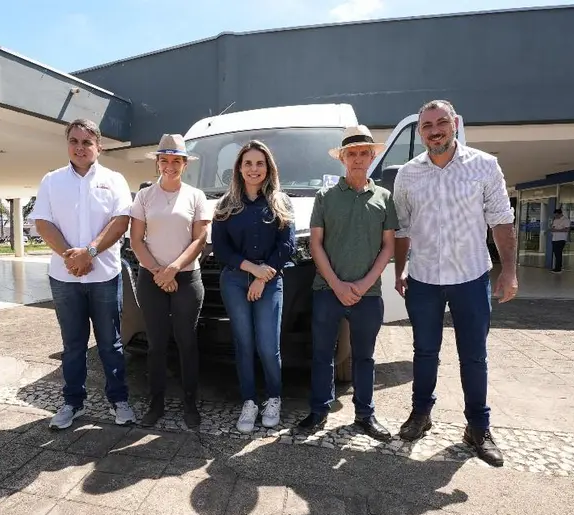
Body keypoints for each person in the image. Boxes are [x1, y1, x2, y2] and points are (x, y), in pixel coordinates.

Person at [393, 99, 517, 467]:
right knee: (424, 352)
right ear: (420, 133)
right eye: (427, 126)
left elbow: (501, 220)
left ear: (455, 123)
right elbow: (401, 228)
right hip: (425, 278)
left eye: (441, 122)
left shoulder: (484, 165)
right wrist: (400, 269)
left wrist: (509, 270)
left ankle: (478, 427)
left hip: (471, 277)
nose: (435, 131)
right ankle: (421, 414)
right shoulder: (407, 175)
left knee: (474, 356)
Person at [28, 118, 136, 430]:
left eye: (87, 142)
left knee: (110, 343)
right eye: (74, 141)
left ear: (98, 147)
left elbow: (120, 221)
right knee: (73, 344)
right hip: (64, 278)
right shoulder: (52, 180)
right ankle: (73, 403)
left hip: (104, 275)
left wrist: (88, 253)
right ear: (68, 145)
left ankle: (119, 400)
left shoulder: (114, 179)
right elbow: (43, 223)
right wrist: (70, 257)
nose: (80, 147)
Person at [297, 125, 398, 442]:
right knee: (322, 354)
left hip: (369, 295)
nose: (357, 159)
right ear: (342, 158)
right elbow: (316, 245)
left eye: (362, 153)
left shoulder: (384, 198)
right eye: (350, 154)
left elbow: (388, 247)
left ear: (371, 156)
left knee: (365, 357)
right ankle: (318, 412)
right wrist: (338, 285)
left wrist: (366, 282)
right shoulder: (325, 196)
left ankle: (365, 415)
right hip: (328, 292)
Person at [212, 140, 296, 433]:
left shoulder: (281, 202)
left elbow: (287, 246)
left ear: (268, 167)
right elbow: (221, 249)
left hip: (271, 282)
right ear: (239, 168)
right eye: (248, 163)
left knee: (268, 346)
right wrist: (251, 269)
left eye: (259, 163)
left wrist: (262, 277)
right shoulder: (225, 205)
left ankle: (273, 398)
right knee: (244, 344)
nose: (253, 169)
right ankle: (249, 401)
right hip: (235, 281)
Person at [129, 133, 212, 429]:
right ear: (158, 163)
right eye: (165, 160)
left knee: (187, 342)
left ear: (185, 164)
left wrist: (173, 269)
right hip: (152, 279)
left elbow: (200, 239)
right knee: (156, 344)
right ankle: (156, 403)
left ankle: (190, 403)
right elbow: (136, 240)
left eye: (176, 160)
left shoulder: (196, 196)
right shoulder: (144, 196)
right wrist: (157, 272)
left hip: (186, 278)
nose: (170, 166)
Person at [550, 208, 570, 273]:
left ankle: (558, 268)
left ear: (560, 214)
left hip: (561, 239)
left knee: (558, 253)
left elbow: (566, 229)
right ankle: (557, 267)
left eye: (556, 215)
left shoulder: (566, 220)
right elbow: (553, 228)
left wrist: (557, 230)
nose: (556, 216)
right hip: (554, 239)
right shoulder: (555, 220)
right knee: (555, 253)